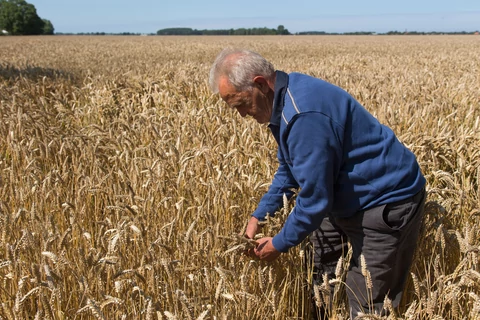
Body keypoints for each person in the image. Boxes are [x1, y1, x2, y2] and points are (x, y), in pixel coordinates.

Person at [209, 48, 426, 319]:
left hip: (386, 200)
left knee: (367, 301)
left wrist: (278, 243)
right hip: (342, 192)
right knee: (322, 279)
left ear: (260, 84)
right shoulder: (284, 97)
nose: (241, 115)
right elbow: (290, 169)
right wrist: (258, 216)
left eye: (241, 104)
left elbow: (314, 199)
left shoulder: (302, 115)